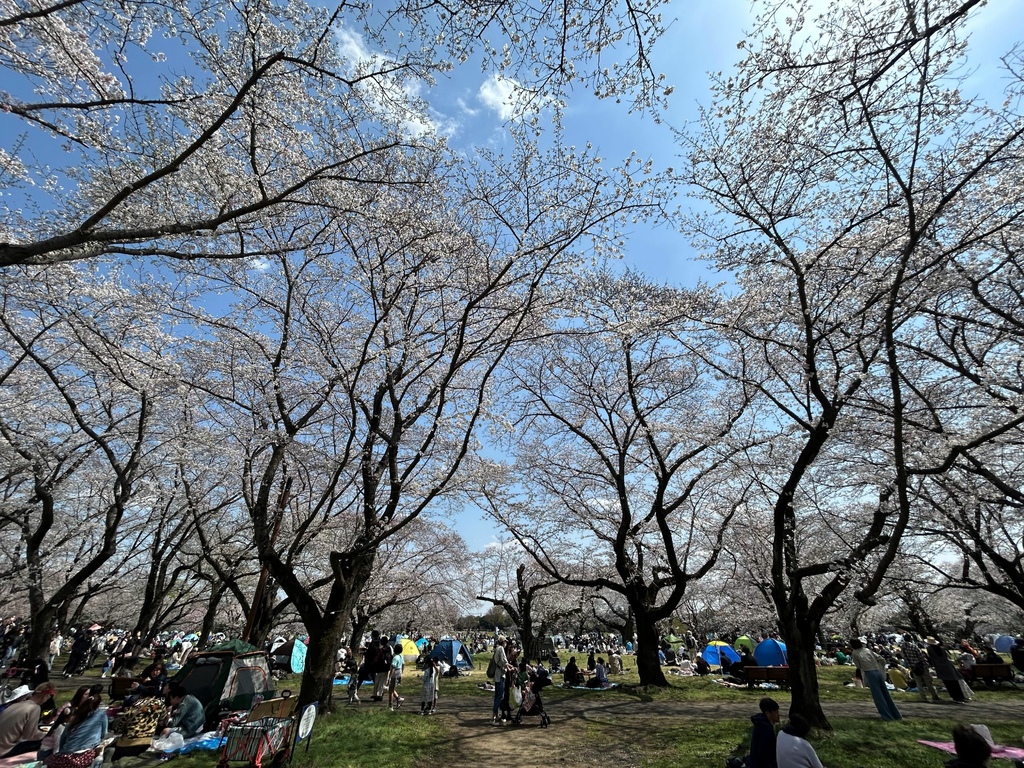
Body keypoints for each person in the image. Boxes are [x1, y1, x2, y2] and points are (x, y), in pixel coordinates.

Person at [850, 638, 901, 721]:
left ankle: (886, 716)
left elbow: (858, 666)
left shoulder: (855, 653)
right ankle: (896, 714)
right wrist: (881, 667)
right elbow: (881, 659)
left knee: (878, 696)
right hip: (877, 671)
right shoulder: (867, 650)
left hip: (869, 673)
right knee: (885, 693)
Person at [0, 682, 54, 757]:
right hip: (5, 749)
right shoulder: (35, 708)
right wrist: (45, 734)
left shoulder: (17, 704)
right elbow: (30, 736)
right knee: (46, 741)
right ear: (45, 696)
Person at [55, 693, 107, 764]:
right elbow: (104, 734)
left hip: (65, 756)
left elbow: (63, 738)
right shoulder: (101, 714)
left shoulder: (76, 717)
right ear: (98, 705)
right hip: (83, 756)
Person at [927, 637, 967, 703]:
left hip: (940, 667)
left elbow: (931, 658)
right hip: (948, 666)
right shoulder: (942, 649)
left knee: (947, 683)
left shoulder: (930, 649)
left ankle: (954, 696)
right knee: (954, 682)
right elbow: (947, 657)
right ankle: (960, 697)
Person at [746, 697, 780, 768]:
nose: (778, 715)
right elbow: (765, 753)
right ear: (768, 713)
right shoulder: (766, 729)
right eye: (775, 712)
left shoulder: (760, 723)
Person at [490, 637, 510, 725]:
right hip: (500, 675)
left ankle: (496, 714)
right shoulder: (501, 648)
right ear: (503, 642)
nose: (506, 643)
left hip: (498, 674)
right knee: (500, 695)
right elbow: (503, 661)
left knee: (497, 695)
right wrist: (509, 666)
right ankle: (494, 715)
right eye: (505, 642)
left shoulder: (497, 648)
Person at [388, 643, 404, 710]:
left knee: (391, 690)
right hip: (399, 672)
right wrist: (402, 672)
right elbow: (403, 664)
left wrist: (389, 677)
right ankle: (398, 698)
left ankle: (390, 705)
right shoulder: (401, 656)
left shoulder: (395, 658)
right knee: (391, 688)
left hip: (395, 673)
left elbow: (393, 668)